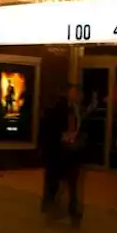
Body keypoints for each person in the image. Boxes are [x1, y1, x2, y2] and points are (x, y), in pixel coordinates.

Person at [40, 84, 84, 224]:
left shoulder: (74, 109)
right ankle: (59, 209)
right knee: (60, 181)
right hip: (60, 152)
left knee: (68, 182)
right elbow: (52, 131)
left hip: (67, 152)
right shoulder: (61, 110)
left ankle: (67, 209)